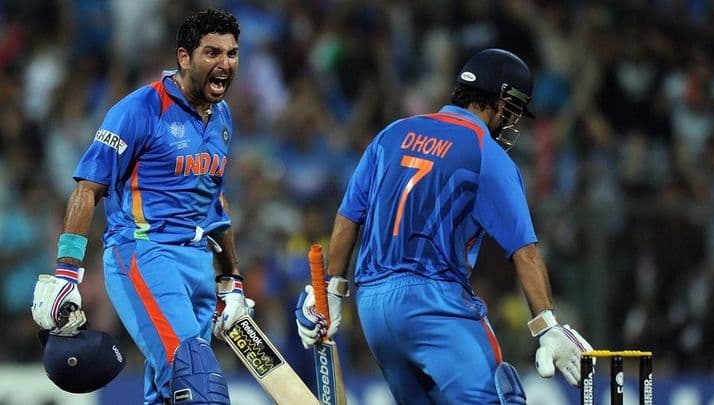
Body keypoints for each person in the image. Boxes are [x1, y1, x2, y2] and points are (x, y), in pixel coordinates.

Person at [295, 48, 593, 404]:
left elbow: (348, 217)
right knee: (501, 397)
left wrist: (331, 289)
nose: (512, 122)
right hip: (433, 303)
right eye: (513, 110)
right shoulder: (485, 152)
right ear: (501, 103)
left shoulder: (392, 133)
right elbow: (524, 252)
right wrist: (547, 325)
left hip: (372, 306)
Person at [31, 9, 253, 404]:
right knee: (197, 377)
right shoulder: (138, 110)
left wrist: (231, 279)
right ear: (184, 57)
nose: (225, 64)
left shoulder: (222, 117)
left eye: (232, 54)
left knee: (171, 390)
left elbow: (214, 201)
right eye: (212, 53)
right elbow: (87, 189)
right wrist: (67, 272)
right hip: (145, 254)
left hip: (198, 264)